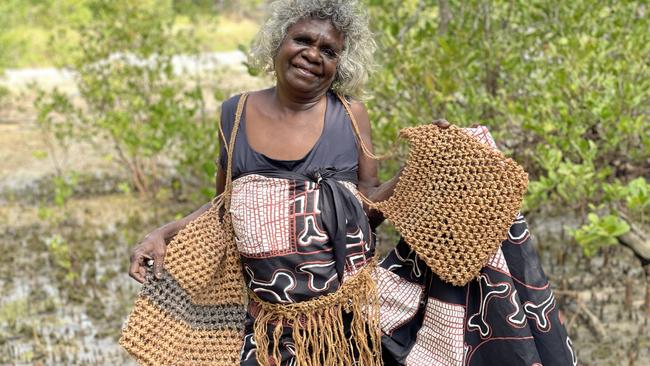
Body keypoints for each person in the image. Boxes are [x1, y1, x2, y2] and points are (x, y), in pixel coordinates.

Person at [128, 1, 576, 365]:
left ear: (340, 64)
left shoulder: (350, 115)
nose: (312, 54)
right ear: (277, 43)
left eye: (328, 50)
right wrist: (164, 232)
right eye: (302, 40)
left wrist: (426, 165)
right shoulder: (236, 112)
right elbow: (226, 202)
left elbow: (369, 205)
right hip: (265, 324)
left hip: (348, 322)